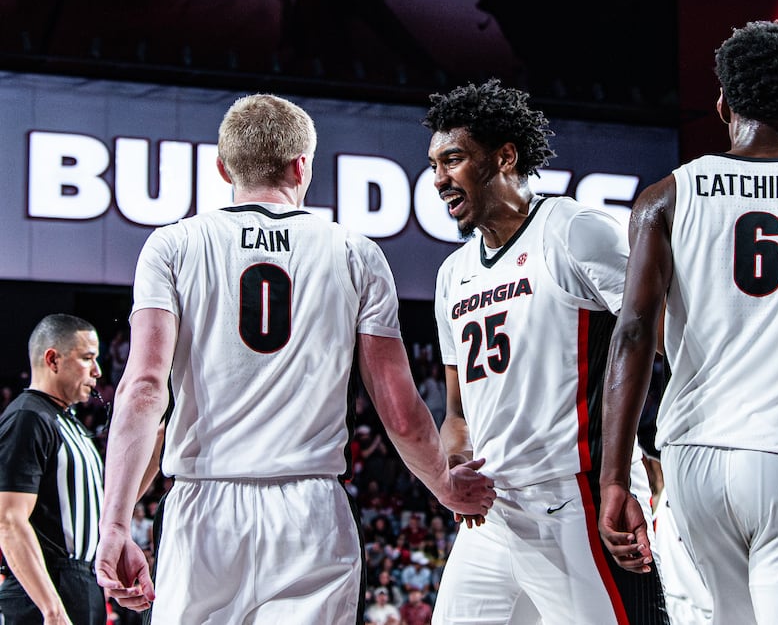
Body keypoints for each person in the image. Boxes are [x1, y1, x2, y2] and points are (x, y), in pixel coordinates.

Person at [95, 94, 496, 623]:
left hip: (203, 505)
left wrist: (116, 525)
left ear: (222, 166)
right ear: (301, 164)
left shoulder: (173, 245)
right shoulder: (356, 252)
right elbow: (398, 408)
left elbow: (144, 389)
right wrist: (444, 485)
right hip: (310, 511)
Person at [598, 20, 778, 625]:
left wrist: (614, 479)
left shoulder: (665, 198)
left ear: (724, 101)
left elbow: (630, 337)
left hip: (691, 459)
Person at [425, 79, 668, 624]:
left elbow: (661, 337)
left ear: (505, 156)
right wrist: (455, 465)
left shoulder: (574, 231)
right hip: (492, 513)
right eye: (434, 164)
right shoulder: (451, 275)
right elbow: (458, 416)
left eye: (454, 159)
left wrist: (635, 470)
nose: (439, 179)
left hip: (574, 497)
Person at [0, 314, 105, 625]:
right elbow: (8, 520)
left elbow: (97, 504)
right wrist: (52, 609)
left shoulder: (67, 422)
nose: (97, 371)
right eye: (87, 358)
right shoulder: (28, 417)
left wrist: (156, 445)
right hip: (47, 590)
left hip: (80, 584)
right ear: (53, 359)